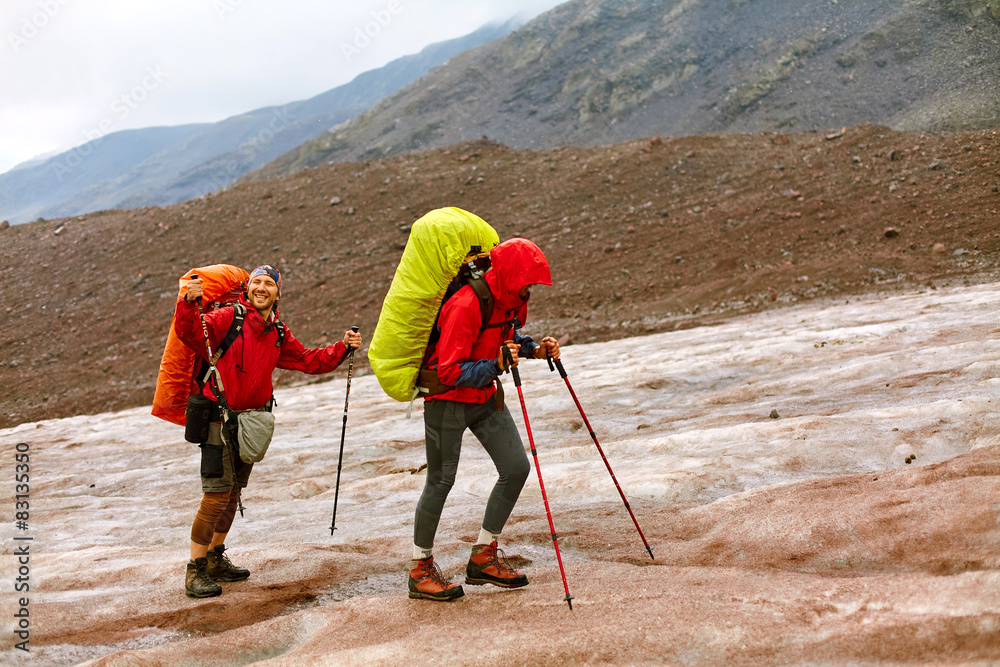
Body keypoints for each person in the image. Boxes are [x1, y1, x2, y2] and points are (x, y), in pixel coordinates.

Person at [174, 265, 362, 598]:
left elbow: (307, 360)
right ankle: (195, 569)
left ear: (277, 293)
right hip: (219, 419)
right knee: (216, 495)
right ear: (248, 290)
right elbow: (191, 333)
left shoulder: (276, 331)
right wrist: (188, 303)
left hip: (250, 422)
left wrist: (342, 348)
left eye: (269, 284)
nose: (262, 288)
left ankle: (216, 557)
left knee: (233, 494)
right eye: (257, 283)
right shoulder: (227, 318)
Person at [409, 238, 562, 601]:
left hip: (484, 397)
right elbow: (448, 370)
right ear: (509, 274)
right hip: (447, 402)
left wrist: (535, 350)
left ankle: (483, 557)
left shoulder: (511, 299)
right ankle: (420, 570)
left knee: (516, 468)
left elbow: (507, 337)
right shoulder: (466, 304)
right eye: (527, 281)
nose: (530, 289)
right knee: (441, 480)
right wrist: (495, 366)